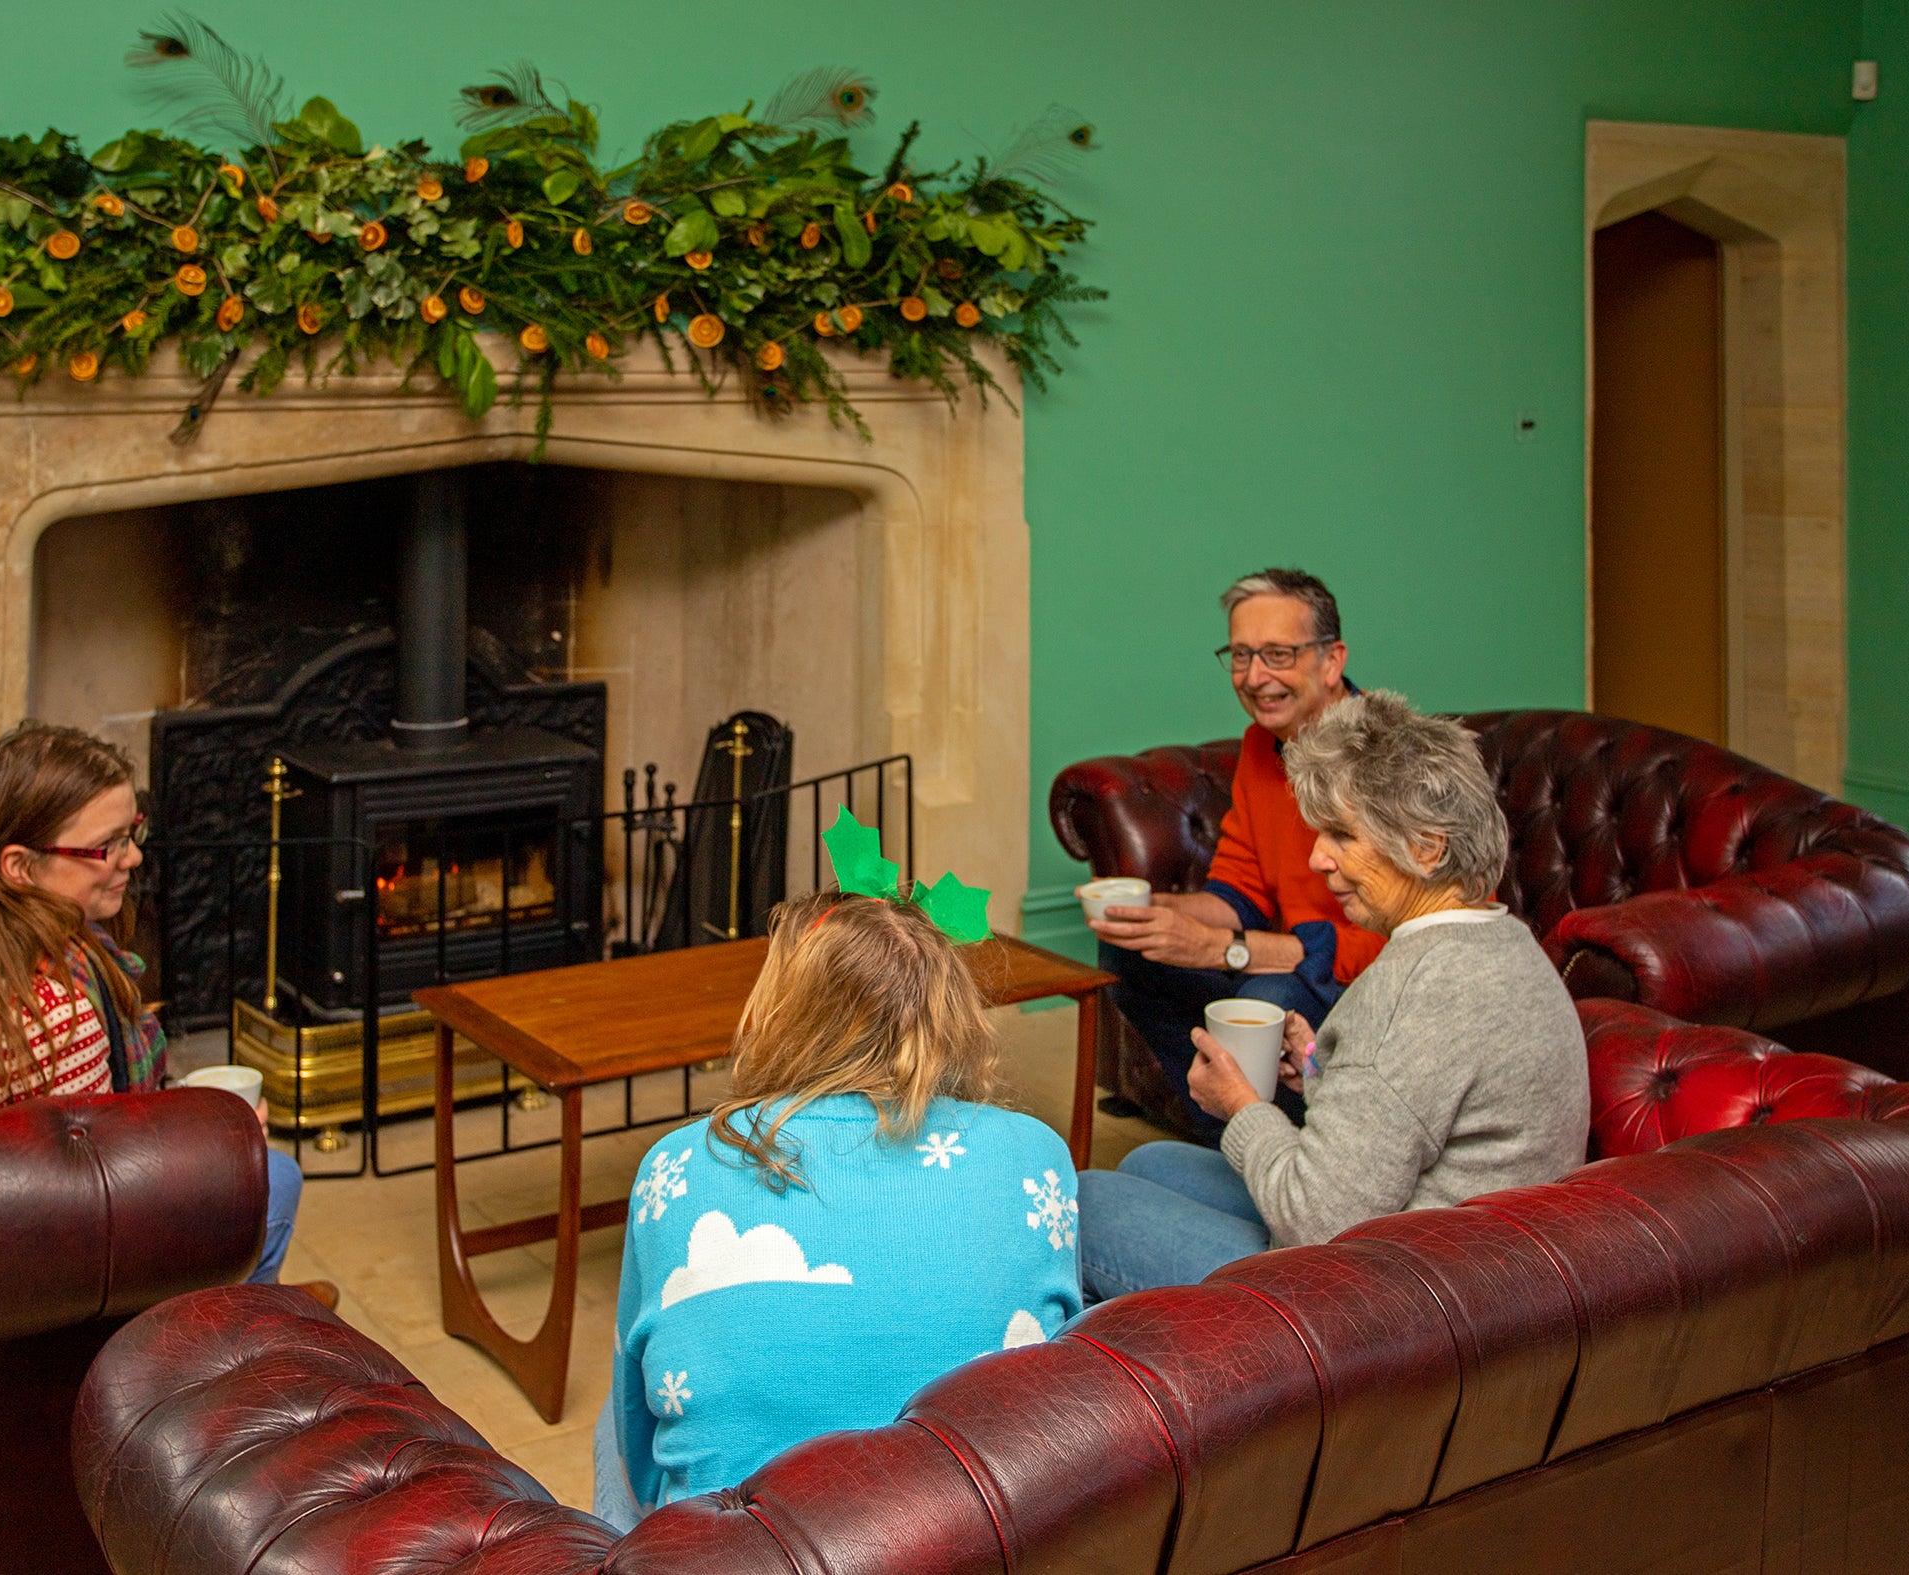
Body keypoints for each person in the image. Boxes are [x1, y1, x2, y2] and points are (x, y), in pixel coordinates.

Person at [0, 720, 332, 1307]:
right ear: (20, 867)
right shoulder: (53, 1009)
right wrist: (218, 1145)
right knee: (273, 1177)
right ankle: (224, 1339)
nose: (133, 856)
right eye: (108, 846)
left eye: (134, 830)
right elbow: (97, 1210)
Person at [594, 890, 1082, 1530]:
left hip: (736, 1554)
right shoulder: (1034, 1156)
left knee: (617, 1418)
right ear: (953, 1013)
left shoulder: (673, 1165)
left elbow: (640, 1445)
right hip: (977, 1540)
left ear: (782, 1011)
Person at [1077, 691, 1588, 1300]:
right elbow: (1407, 1103)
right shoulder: (1503, 940)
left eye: (1342, 836)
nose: (1319, 858)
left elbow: (1316, 1220)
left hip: (1390, 1294)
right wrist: (1315, 1070)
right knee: (1149, 1164)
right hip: (1464, 1245)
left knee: (1086, 1199)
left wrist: (1244, 1107)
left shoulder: (1412, 990)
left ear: (1426, 847)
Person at [1087, 568, 1385, 1136]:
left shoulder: (1383, 758)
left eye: (1277, 654)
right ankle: (1229, 1144)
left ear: (1331, 660)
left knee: (1265, 1003)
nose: (1254, 677)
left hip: (1371, 977)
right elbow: (1240, 888)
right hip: (1295, 959)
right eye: (1241, 655)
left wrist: (1226, 950)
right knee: (1129, 959)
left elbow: (1389, 945)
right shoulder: (1263, 745)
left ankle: (1295, 1164)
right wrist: (1155, 912)